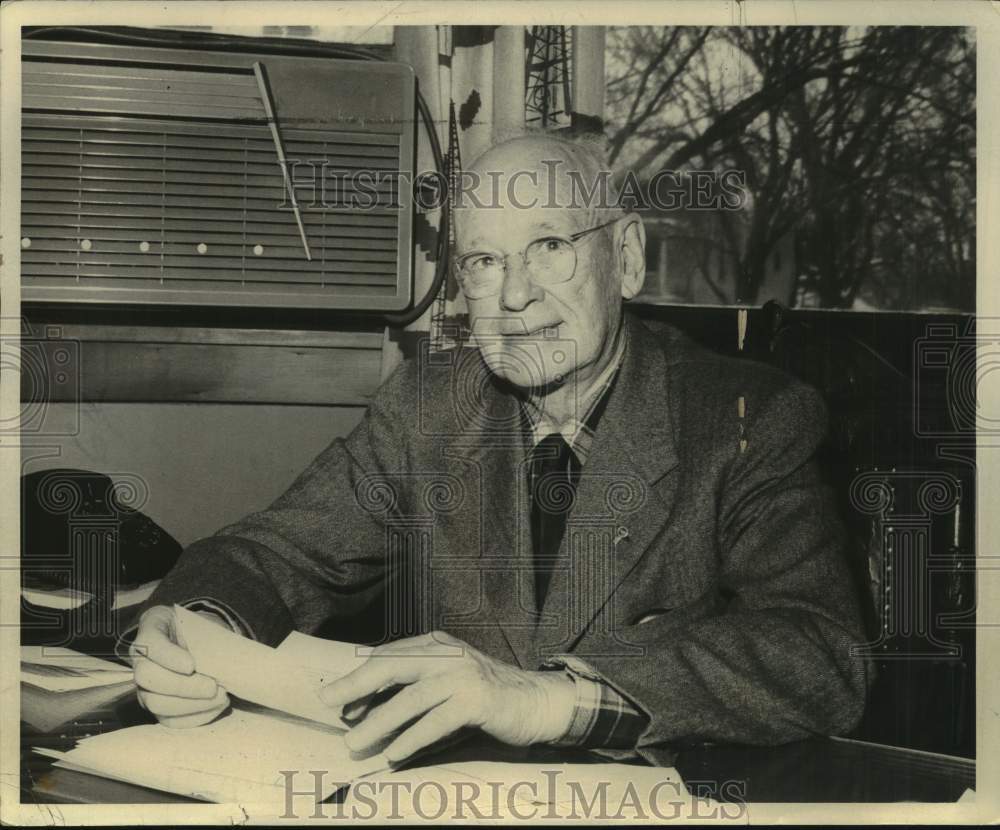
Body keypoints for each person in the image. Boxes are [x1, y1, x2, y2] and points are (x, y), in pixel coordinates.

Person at [128, 133, 869, 767]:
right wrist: (194, 628)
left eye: (548, 247)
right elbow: (273, 553)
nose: (514, 296)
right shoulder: (426, 408)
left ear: (627, 257)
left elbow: (821, 653)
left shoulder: (747, 418)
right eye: (483, 262)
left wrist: (552, 697)